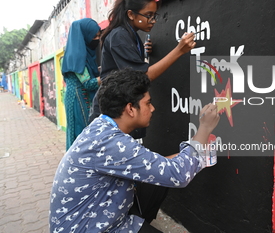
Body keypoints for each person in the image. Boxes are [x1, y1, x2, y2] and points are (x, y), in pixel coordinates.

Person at [49, 68, 220, 233]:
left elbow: (159, 166)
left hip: (98, 218)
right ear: (130, 109)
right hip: (90, 228)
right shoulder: (110, 142)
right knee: (165, 174)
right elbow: (178, 175)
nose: (152, 108)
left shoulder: (102, 127)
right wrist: (204, 128)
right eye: (148, 103)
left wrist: (191, 157)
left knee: (156, 178)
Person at [89, 0, 196, 136]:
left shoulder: (130, 34)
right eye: (148, 15)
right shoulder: (120, 36)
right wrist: (179, 50)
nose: (153, 21)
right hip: (113, 113)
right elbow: (142, 77)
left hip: (122, 109)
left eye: (154, 15)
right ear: (131, 14)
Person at [62, 18, 102, 150]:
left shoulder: (76, 53)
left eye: (98, 35)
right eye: (94, 36)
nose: (97, 39)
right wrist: (107, 75)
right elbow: (89, 84)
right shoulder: (77, 56)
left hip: (77, 96)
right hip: (78, 99)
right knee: (82, 133)